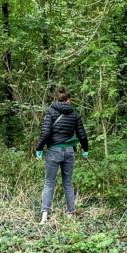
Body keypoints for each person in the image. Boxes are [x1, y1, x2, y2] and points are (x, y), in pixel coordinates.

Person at [35, 87, 89, 224]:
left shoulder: (51, 112)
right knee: (68, 183)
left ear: (56, 99)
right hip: (69, 151)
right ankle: (70, 213)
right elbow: (82, 134)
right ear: (69, 100)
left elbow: (46, 133)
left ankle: (44, 216)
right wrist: (85, 149)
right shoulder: (75, 114)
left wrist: (39, 148)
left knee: (49, 183)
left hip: (54, 151)